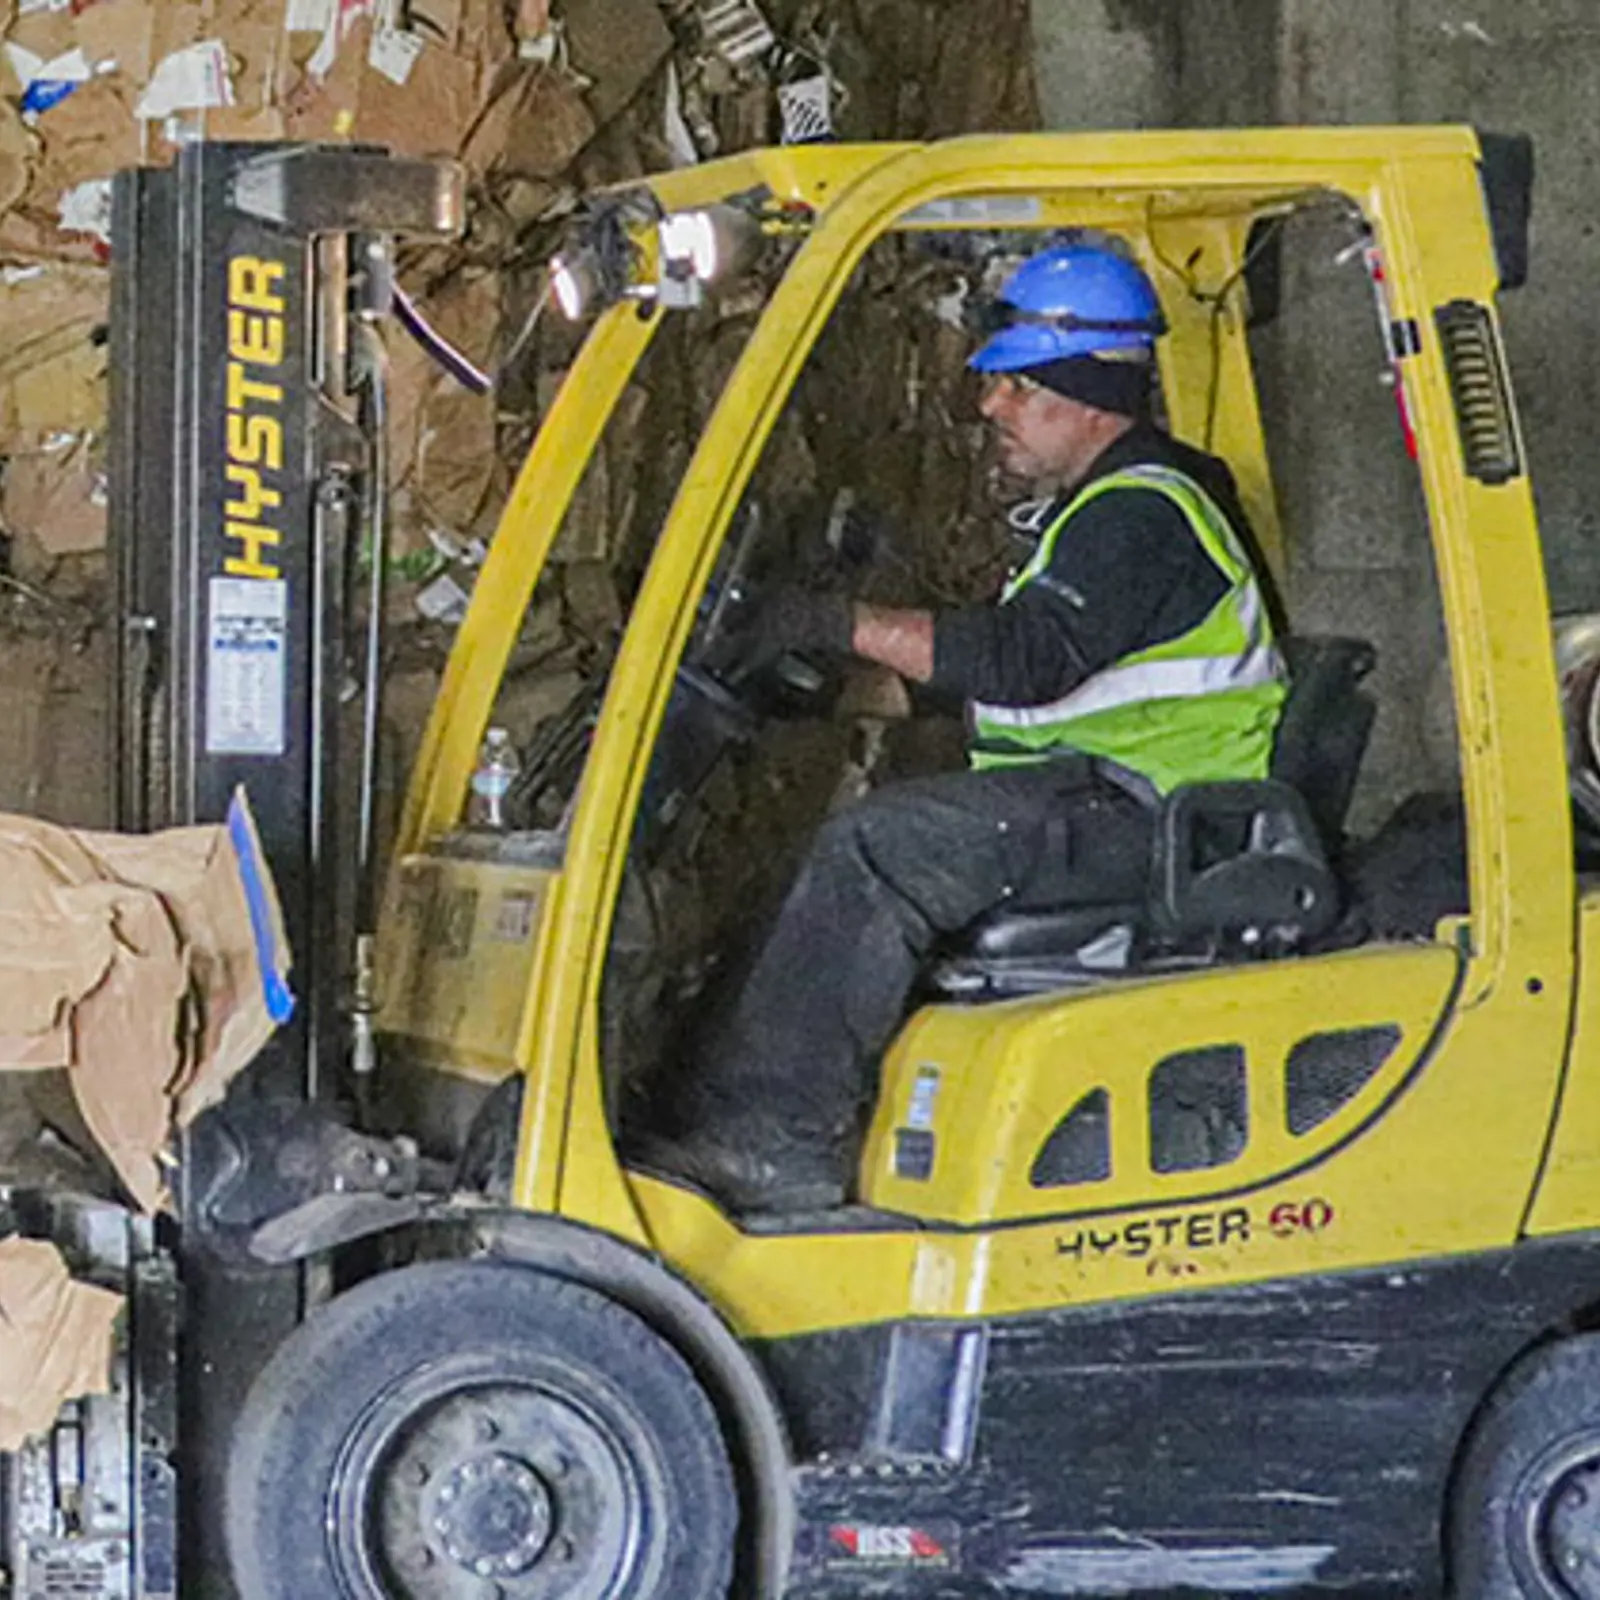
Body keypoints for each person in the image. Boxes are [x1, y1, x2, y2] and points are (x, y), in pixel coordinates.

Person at [645, 242, 1289, 1213]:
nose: (990, 408)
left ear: (1089, 398)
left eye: (1018, 390)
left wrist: (835, 619)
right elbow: (1008, 688)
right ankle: (715, 1110)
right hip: (1102, 792)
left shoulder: (1145, 513)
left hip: (1151, 816)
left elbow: (1025, 658)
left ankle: (774, 1142)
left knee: (875, 848)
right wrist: (814, 691)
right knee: (866, 832)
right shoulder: (1101, 509)